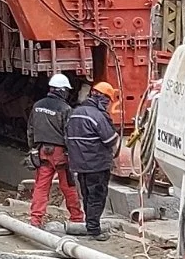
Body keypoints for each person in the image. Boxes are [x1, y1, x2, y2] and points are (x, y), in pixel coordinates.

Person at [65, 81, 122, 241]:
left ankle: (91, 225)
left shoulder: (75, 113)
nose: (109, 104)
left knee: (87, 196)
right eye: (108, 100)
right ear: (103, 98)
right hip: (97, 165)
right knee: (97, 196)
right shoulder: (97, 116)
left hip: (79, 165)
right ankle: (94, 230)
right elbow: (110, 140)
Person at [27, 74, 84, 228]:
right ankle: (77, 218)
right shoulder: (65, 109)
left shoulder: (37, 105)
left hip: (42, 152)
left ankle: (35, 219)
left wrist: (32, 148)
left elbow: (31, 129)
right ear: (62, 90)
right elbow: (69, 134)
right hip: (60, 153)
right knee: (68, 186)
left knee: (41, 186)